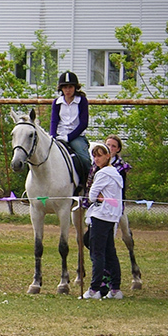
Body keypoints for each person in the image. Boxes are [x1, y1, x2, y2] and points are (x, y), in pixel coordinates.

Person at [82, 143, 124, 300]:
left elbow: (92, 196)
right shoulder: (116, 174)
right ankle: (115, 288)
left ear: (108, 156)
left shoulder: (102, 174)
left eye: (100, 155)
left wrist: (99, 197)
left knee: (97, 253)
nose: (97, 159)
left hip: (100, 216)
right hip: (111, 217)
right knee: (110, 253)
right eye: (94, 156)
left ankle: (94, 289)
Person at [49, 71, 91, 185]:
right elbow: (54, 121)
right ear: (61, 89)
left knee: (85, 159)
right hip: (59, 135)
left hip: (76, 136)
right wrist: (52, 136)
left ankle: (86, 185)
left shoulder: (82, 101)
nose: (68, 90)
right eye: (65, 87)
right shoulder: (56, 102)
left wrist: (69, 137)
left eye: (70, 87)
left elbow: (83, 124)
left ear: (75, 88)